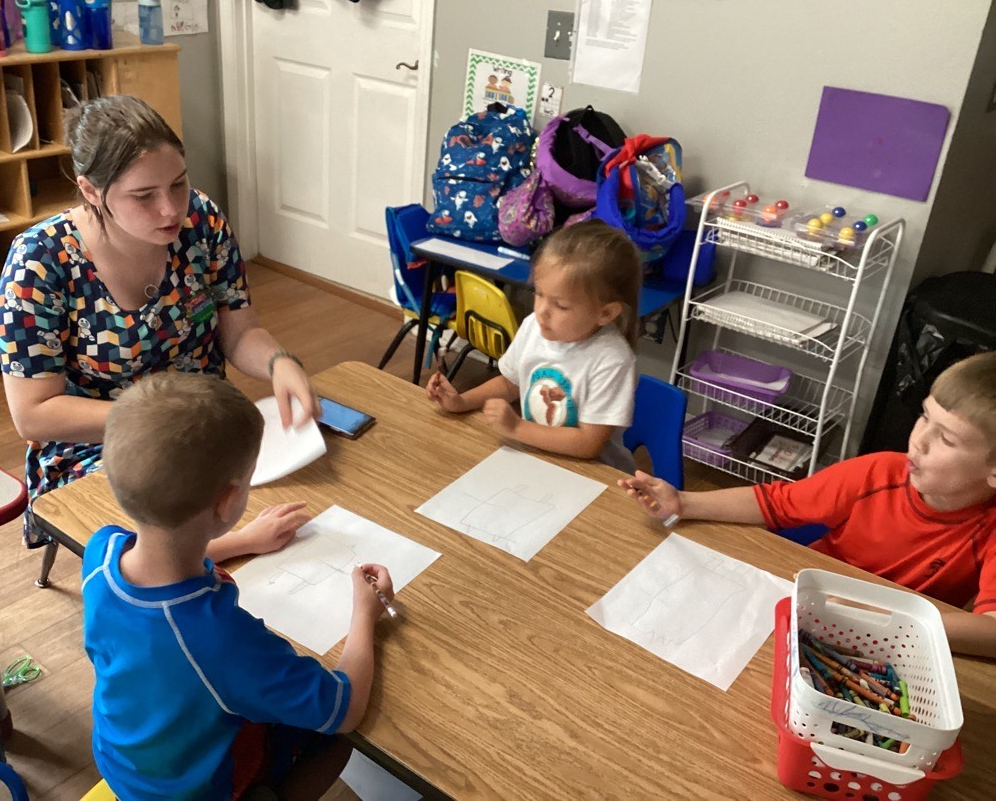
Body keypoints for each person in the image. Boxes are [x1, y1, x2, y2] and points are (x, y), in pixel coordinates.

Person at [0, 95, 315, 552]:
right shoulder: (40, 263)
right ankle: (214, 550)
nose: (170, 210)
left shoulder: (201, 221)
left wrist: (280, 362)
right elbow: (34, 414)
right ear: (90, 191)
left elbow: (239, 331)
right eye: (144, 196)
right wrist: (164, 422)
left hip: (204, 428)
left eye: (179, 184)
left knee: (305, 511)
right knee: (194, 537)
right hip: (102, 444)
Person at [83, 372, 392, 799]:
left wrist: (243, 541)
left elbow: (165, 563)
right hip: (194, 790)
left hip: (125, 765)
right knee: (336, 744)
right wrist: (365, 613)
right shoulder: (217, 639)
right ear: (228, 501)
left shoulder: (102, 552)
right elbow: (345, 708)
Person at [620, 351, 996, 659]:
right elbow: (777, 503)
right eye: (924, 416)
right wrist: (683, 502)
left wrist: (888, 620)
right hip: (804, 610)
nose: (919, 440)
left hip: (885, 647)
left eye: (946, 438)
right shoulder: (879, 472)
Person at [426, 219, 641, 470]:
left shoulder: (612, 359)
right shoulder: (534, 326)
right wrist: (461, 402)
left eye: (560, 305)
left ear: (605, 314)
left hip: (594, 477)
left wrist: (517, 427)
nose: (541, 311)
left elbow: (588, 443)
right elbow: (510, 383)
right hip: (539, 460)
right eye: (538, 293)